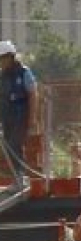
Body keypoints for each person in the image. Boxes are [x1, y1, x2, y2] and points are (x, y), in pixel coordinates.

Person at [0, 40, 38, 188]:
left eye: (3, 58)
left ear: (11, 57)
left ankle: (20, 178)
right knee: (8, 146)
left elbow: (33, 94)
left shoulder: (24, 73)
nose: (1, 62)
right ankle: (16, 178)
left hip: (20, 115)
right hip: (6, 116)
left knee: (15, 145)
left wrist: (32, 118)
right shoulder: (2, 76)